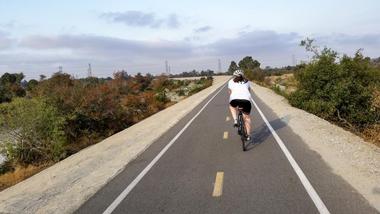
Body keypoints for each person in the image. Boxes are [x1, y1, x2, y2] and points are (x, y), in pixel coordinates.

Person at [228, 69, 253, 141]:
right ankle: (248, 135)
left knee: (231, 106)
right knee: (247, 118)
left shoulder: (230, 81)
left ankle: (235, 120)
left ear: (234, 76)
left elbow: (230, 92)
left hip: (234, 99)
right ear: (243, 75)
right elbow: (249, 91)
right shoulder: (247, 81)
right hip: (246, 101)